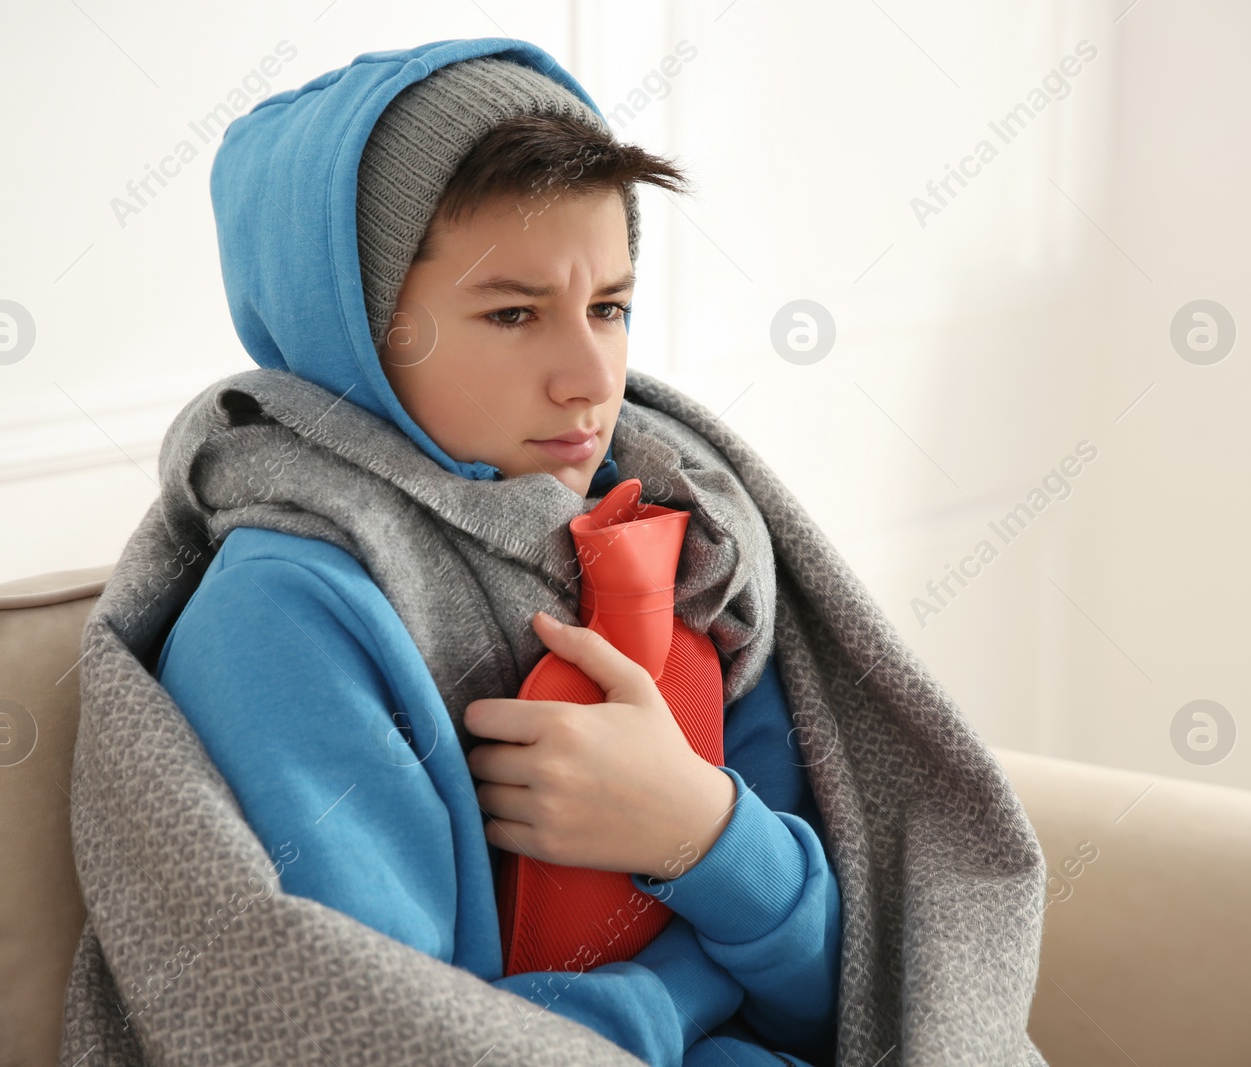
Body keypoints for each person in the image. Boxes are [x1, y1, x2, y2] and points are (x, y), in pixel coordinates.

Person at [153, 39, 841, 1066]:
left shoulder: (688, 538)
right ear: (350, 328)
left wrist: (701, 831)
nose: (588, 377)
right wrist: (687, 991)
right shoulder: (288, 612)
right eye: (513, 313)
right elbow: (399, 1034)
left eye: (608, 306)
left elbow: (836, 995)